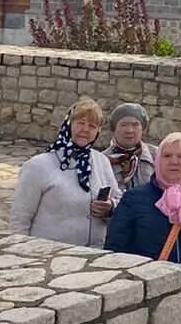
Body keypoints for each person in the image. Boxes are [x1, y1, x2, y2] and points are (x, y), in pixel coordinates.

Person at [105, 132, 181, 321]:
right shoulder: (134, 199)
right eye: (167, 156)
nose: (174, 162)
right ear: (158, 159)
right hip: (147, 301)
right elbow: (115, 251)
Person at [10, 97, 119, 247]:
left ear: (98, 132)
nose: (85, 129)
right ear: (68, 124)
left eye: (92, 126)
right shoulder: (39, 165)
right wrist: (20, 252)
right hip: (48, 256)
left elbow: (118, 198)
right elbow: (20, 218)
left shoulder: (102, 161)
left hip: (93, 257)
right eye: (80, 123)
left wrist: (110, 206)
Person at [104, 101, 157, 194]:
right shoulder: (102, 160)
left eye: (135, 125)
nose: (129, 130)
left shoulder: (158, 156)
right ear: (114, 129)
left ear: (143, 129)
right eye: (123, 125)